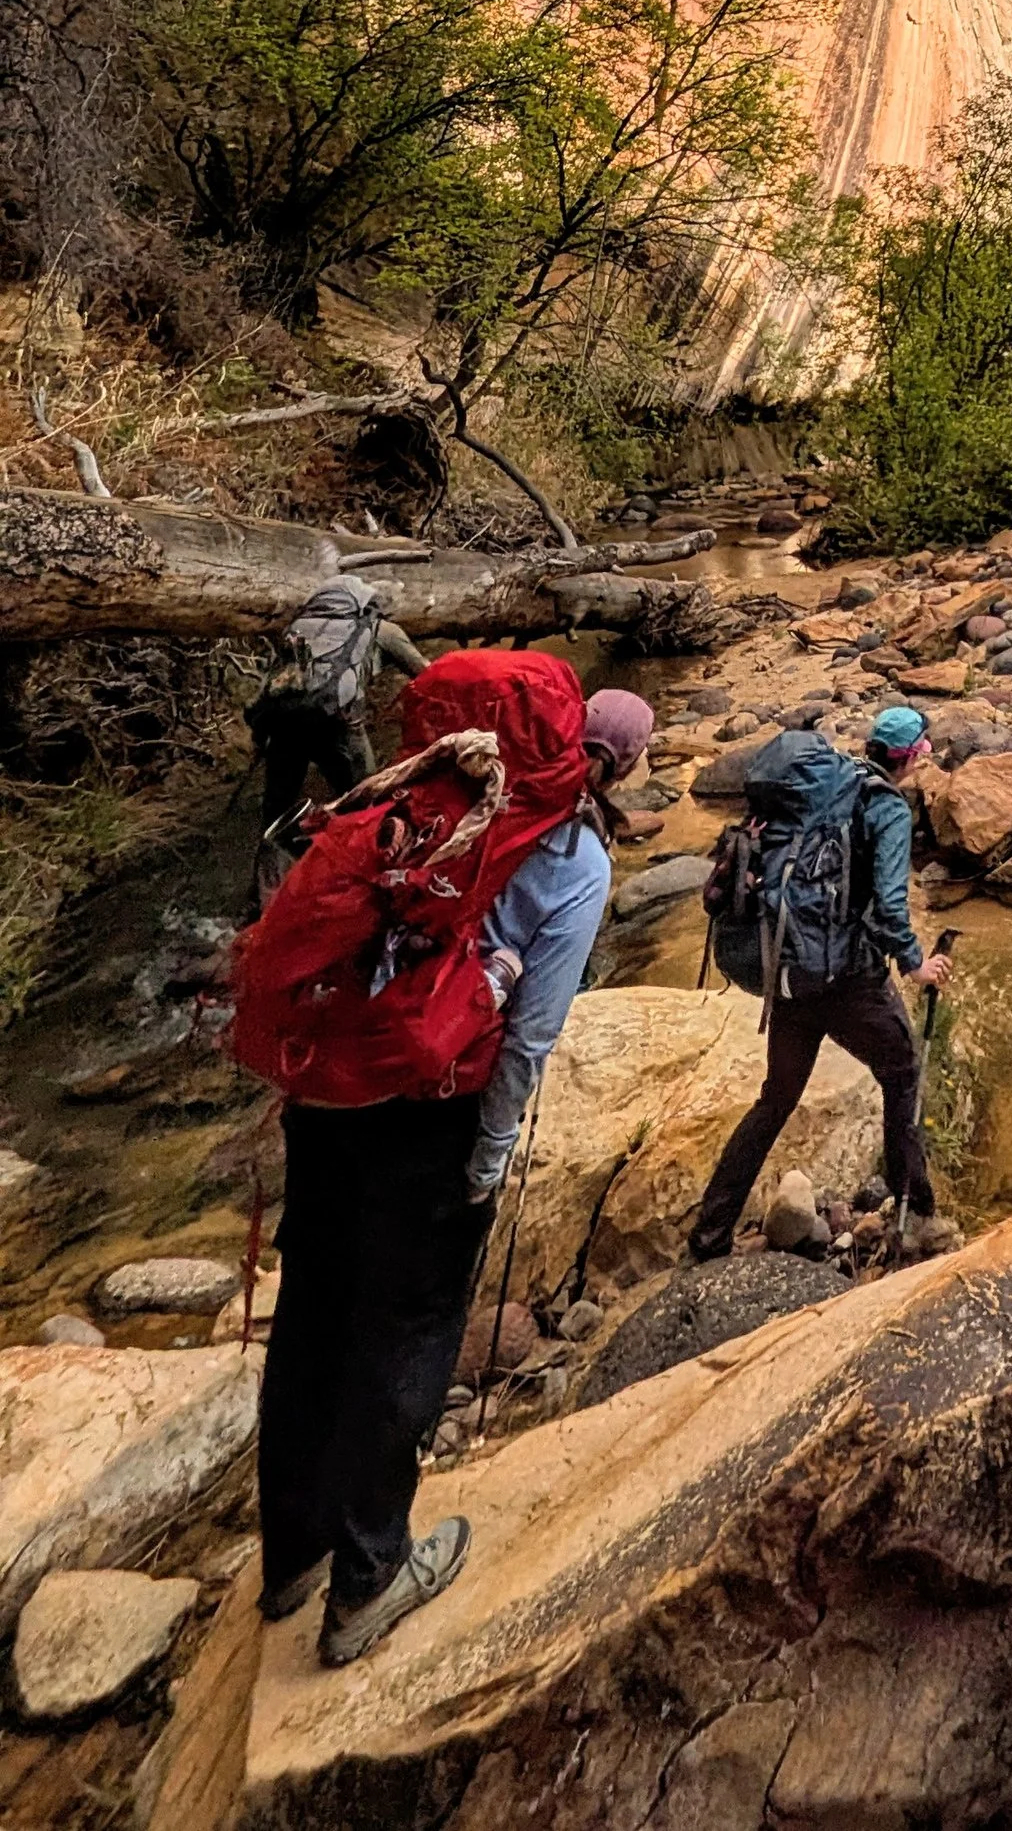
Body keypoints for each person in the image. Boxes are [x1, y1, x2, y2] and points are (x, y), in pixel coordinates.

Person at [253, 659, 644, 1668]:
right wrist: (494, 1151)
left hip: (328, 1092)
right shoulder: (569, 857)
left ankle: (291, 1557)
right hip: (433, 1112)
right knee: (408, 1329)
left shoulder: (405, 801)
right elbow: (529, 1037)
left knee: (313, 1314)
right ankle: (369, 1580)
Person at [688, 703, 957, 1263]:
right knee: (903, 1072)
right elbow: (888, 906)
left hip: (790, 974)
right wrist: (915, 964)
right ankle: (918, 1214)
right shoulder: (884, 806)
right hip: (846, 980)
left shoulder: (822, 790)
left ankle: (710, 1234)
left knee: (777, 1098)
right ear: (910, 757)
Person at [242, 577, 426, 918]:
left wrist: (259, 738)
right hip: (338, 730)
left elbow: (274, 687)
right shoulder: (385, 631)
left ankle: (261, 908)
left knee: (276, 816)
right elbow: (428, 675)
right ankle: (370, 898)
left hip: (284, 729)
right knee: (367, 809)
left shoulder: (301, 628)